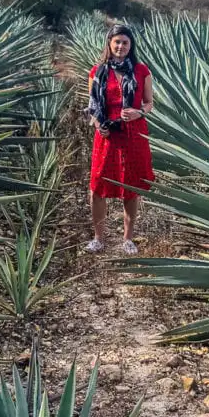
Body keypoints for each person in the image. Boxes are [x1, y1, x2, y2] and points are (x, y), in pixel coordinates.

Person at [85, 24, 155, 254]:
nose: (120, 46)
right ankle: (98, 238)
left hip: (133, 134)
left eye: (125, 42)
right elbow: (92, 106)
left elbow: (149, 103)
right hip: (106, 136)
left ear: (131, 45)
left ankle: (128, 239)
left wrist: (139, 112)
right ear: (109, 43)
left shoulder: (141, 70)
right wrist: (98, 125)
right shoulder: (97, 71)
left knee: (131, 188)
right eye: (117, 41)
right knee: (97, 186)